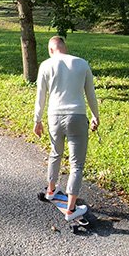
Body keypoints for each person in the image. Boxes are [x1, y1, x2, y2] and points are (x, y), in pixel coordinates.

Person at [33, 36, 99, 221]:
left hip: (54, 116)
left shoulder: (46, 65)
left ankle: (51, 190)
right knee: (76, 164)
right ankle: (71, 209)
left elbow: (40, 95)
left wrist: (37, 120)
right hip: (76, 116)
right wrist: (95, 116)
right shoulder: (81, 63)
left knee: (56, 153)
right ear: (64, 47)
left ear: (51, 49)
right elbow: (90, 94)